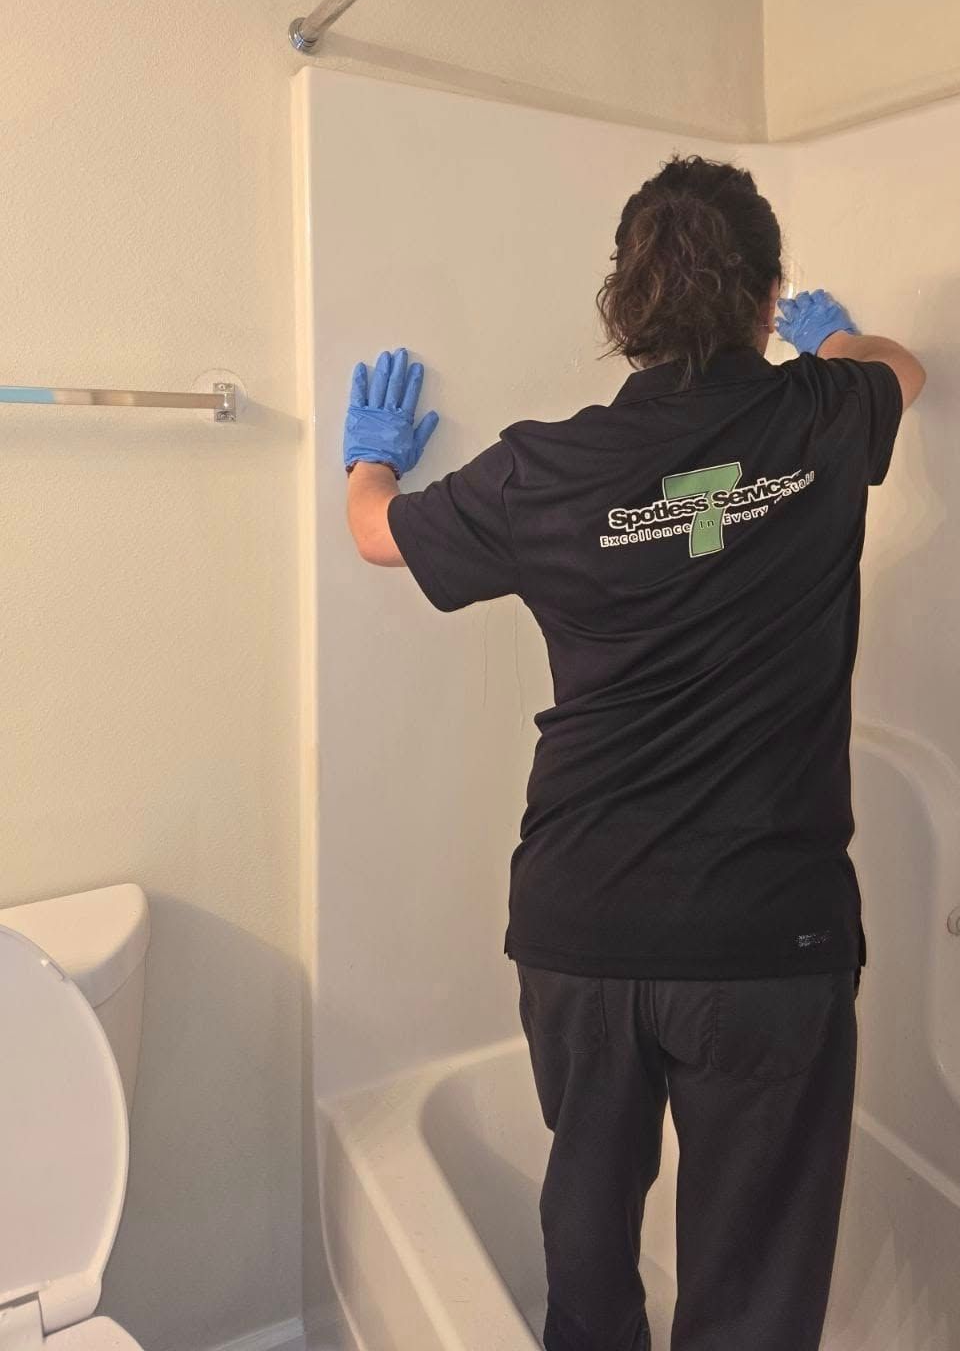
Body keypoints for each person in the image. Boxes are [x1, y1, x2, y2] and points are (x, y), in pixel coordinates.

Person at [343, 153, 926, 1351]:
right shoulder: (823, 415)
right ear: (768, 299)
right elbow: (903, 371)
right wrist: (837, 344)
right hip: (766, 942)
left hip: (583, 927)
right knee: (753, 1278)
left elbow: (375, 538)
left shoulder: (538, 471)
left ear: (625, 305)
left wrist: (376, 453)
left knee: (589, 1222)